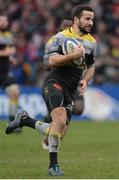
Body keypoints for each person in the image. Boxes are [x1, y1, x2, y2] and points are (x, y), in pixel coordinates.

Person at [6, 5, 96, 176]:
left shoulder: (91, 42)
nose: (91, 22)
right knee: (59, 120)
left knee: (58, 134)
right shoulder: (60, 38)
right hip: (54, 82)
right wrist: (73, 56)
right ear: (76, 19)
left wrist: (86, 79)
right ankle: (53, 166)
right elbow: (52, 61)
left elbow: (91, 66)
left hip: (71, 89)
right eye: (87, 18)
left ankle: (25, 120)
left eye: (92, 19)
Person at [42, 18, 85, 150]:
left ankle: (46, 121)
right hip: (58, 80)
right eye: (63, 28)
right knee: (60, 122)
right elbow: (46, 63)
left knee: (79, 109)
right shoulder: (52, 42)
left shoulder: (81, 41)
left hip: (74, 82)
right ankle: (49, 140)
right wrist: (64, 60)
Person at [0, 12, 20, 131]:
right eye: (0, 20)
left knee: (15, 93)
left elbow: (12, 50)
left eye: (4, 20)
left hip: (4, 73)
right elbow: (9, 50)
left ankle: (12, 123)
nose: (3, 22)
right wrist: (7, 53)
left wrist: (11, 58)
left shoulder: (8, 35)